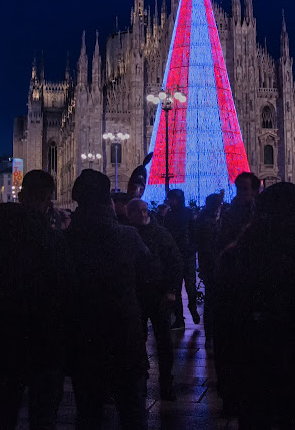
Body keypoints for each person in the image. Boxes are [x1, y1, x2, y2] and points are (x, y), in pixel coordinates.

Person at [215, 182, 295, 427]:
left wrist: (228, 386)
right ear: (294, 215)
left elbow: (223, 329)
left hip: (252, 377)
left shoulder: (235, 256)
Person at [67, 170, 161, 429]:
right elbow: (151, 274)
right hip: (124, 337)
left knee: (88, 413)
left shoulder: (66, 242)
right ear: (106, 201)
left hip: (83, 341)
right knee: (132, 412)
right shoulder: (127, 237)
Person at [0, 170, 74, 429]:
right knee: (44, 413)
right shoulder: (55, 241)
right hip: (46, 338)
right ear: (49, 199)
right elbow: (65, 288)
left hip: (5, 334)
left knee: (4, 408)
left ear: (21, 196)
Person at [127, 198, 182, 401]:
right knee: (136, 339)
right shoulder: (127, 234)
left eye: (144, 211)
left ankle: (166, 381)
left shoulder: (160, 234)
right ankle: (140, 377)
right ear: (129, 213)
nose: (142, 215)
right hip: (135, 296)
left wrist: (171, 290)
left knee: (164, 340)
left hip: (158, 295)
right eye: (138, 211)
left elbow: (175, 262)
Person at [163, 188, 199, 328]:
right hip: (175, 255)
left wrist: (192, 248)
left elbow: (194, 232)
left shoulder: (188, 213)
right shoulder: (169, 215)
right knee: (176, 288)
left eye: (175, 199)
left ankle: (193, 308)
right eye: (171, 199)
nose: (172, 202)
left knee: (190, 286)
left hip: (187, 253)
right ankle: (179, 317)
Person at [195, 193, 223, 350]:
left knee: (211, 302)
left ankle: (210, 335)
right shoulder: (208, 223)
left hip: (209, 266)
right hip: (213, 267)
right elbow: (209, 249)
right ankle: (211, 336)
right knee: (212, 303)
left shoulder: (205, 220)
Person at [217, 172, 260, 252]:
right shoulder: (228, 215)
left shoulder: (260, 214)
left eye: (245, 189)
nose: (241, 192)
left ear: (254, 191)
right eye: (238, 188)